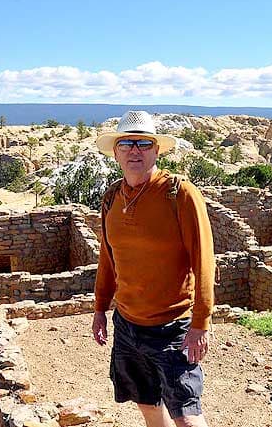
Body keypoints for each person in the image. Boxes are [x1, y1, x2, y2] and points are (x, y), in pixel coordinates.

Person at [92, 110, 215, 427]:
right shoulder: (111, 199)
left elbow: (203, 260)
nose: (135, 150)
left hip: (172, 328)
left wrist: (201, 322)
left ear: (156, 150)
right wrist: (99, 309)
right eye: (127, 143)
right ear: (116, 152)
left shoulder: (179, 194)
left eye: (144, 143)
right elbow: (109, 258)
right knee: (147, 404)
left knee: (187, 416)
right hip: (128, 325)